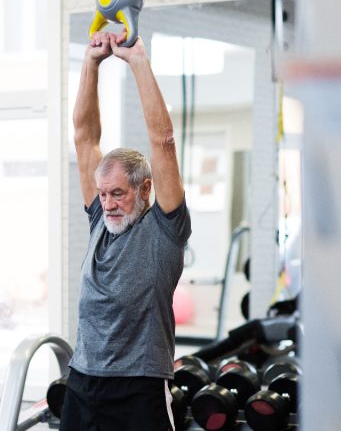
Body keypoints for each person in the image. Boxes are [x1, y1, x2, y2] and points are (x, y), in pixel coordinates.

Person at [59, 29, 191, 431]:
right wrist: (90, 63)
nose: (108, 203)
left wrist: (137, 61)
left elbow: (163, 140)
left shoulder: (164, 231)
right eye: (103, 194)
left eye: (118, 193)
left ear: (145, 188)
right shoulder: (100, 219)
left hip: (139, 389)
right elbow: (84, 138)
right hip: (83, 383)